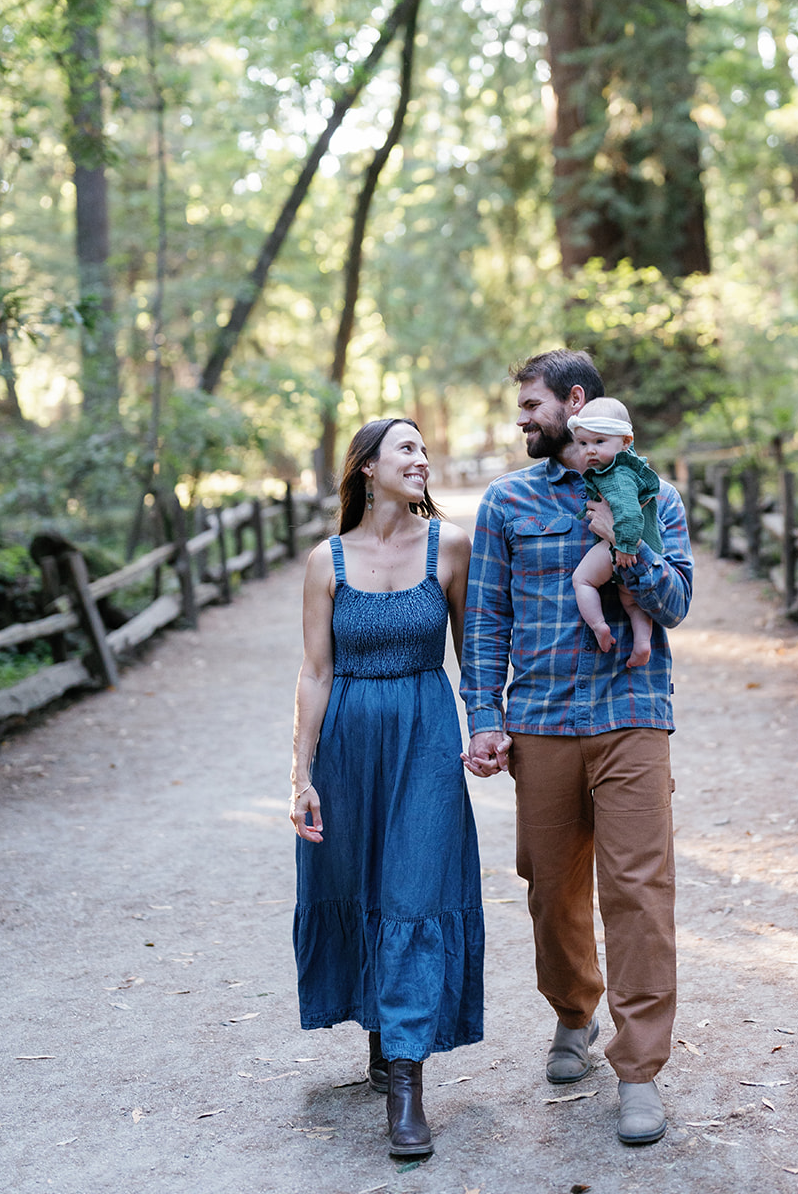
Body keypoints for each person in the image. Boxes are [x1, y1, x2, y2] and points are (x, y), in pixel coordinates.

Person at [460, 350, 692, 1147]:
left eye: (531, 404)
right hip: (541, 722)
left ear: (575, 402)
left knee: (638, 889)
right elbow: (484, 620)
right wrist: (483, 717)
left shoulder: (653, 494)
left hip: (632, 713)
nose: (522, 418)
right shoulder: (507, 502)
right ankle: (573, 1015)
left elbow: (675, 603)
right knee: (549, 887)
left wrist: (624, 543)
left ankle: (639, 1071)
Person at [290, 418, 482, 1159]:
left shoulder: (451, 545)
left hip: (424, 738)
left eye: (425, 450)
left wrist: (491, 732)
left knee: (412, 891)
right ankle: (382, 1029)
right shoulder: (326, 560)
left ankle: (406, 1083)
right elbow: (314, 671)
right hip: (347, 743)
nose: (422, 459)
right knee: (361, 882)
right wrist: (300, 775)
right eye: (406, 448)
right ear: (366, 468)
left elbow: (473, 655)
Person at [567, 397, 662, 669]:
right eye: (583, 444)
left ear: (626, 442)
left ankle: (598, 626)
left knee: (582, 580)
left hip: (622, 547)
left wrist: (624, 546)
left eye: (599, 442)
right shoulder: (624, 469)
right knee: (631, 601)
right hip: (641, 547)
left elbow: (631, 514)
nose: (590, 451)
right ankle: (642, 643)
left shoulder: (617, 475)